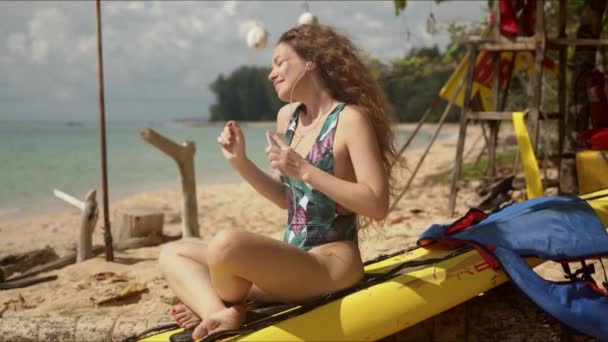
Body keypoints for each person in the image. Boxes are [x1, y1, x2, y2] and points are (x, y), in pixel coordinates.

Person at [158, 24, 399, 340]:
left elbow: (377, 204)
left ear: (311, 60)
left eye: (280, 62)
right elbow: (290, 200)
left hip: (331, 264)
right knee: (173, 253)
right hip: (291, 261)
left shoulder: (350, 119)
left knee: (226, 244)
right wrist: (240, 162)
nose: (271, 74)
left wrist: (304, 170)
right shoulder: (289, 117)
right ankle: (217, 311)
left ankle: (217, 302)